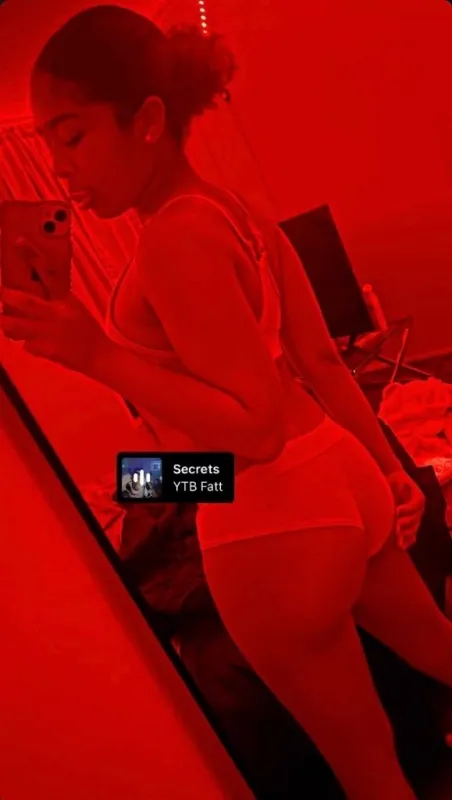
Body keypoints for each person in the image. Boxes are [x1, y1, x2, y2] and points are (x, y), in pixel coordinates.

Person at [1, 6, 451, 798]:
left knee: (368, 765)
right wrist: (392, 472)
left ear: (147, 120)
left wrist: (97, 354)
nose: (63, 170)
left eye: (73, 137)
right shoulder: (238, 213)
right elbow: (319, 362)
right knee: (440, 651)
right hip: (335, 475)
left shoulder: (171, 240)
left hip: (270, 515)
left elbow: (255, 429)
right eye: (48, 146)